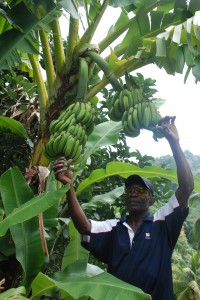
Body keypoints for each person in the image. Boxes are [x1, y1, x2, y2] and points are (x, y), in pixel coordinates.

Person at [53, 116, 194, 300]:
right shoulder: (114, 229)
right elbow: (85, 227)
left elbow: (186, 188)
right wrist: (69, 187)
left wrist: (174, 143)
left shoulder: (162, 223)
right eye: (130, 190)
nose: (133, 193)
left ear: (151, 200)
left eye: (140, 190)